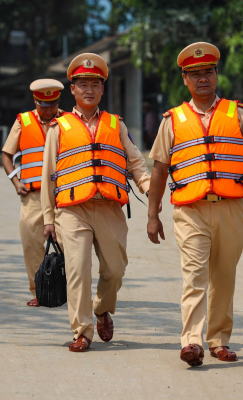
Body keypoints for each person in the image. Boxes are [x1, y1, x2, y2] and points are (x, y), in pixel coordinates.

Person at [146, 42, 243, 367]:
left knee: (224, 274)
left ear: (216, 74)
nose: (202, 79)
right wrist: (152, 215)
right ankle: (191, 342)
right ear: (185, 80)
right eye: (195, 74)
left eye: (208, 72)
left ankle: (218, 341)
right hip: (190, 211)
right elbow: (159, 169)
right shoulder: (172, 121)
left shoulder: (239, 113)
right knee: (195, 274)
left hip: (231, 208)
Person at [41, 53, 151, 352]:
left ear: (103, 89)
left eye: (95, 84)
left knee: (115, 271)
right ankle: (82, 331)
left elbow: (136, 161)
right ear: (72, 89)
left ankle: (102, 308)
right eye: (82, 84)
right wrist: (48, 219)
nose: (89, 89)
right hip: (72, 211)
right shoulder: (57, 128)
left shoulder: (116, 125)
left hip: (110, 209)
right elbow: (49, 175)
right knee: (77, 270)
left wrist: (148, 186)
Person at [2, 79, 64, 307]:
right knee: (32, 243)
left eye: (52, 104)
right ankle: (40, 291)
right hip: (33, 196)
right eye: (43, 105)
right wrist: (15, 182)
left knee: (69, 243)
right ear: (35, 101)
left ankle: (69, 289)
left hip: (63, 195)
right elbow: (6, 156)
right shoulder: (23, 121)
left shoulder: (68, 121)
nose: (48, 110)